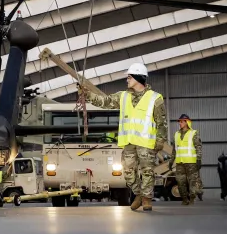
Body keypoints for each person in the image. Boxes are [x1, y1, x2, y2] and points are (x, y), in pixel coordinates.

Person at [78, 63, 168, 212]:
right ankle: (138, 194)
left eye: (129, 77)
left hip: (146, 142)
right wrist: (87, 94)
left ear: (138, 78)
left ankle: (146, 199)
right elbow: (105, 102)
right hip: (129, 142)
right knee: (127, 172)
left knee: (147, 171)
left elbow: (161, 122)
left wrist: (160, 140)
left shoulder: (155, 98)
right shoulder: (123, 96)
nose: (127, 80)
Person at [172, 114, 203, 205]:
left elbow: (198, 147)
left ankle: (192, 199)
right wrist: (171, 161)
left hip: (191, 163)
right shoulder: (177, 134)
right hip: (180, 163)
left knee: (192, 181)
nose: (180, 123)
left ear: (187, 122)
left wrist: (199, 159)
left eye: (182, 121)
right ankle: (184, 199)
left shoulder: (193, 133)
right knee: (180, 181)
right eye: (179, 122)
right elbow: (174, 149)